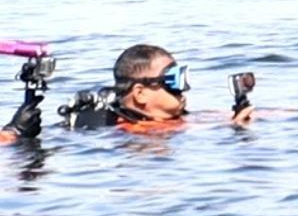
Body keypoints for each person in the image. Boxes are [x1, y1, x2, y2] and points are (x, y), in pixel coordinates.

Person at [1, 44, 254, 140]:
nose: (182, 90)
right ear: (140, 93)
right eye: (172, 81)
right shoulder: (127, 129)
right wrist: (13, 133)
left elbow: (202, 120)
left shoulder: (176, 119)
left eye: (182, 79)